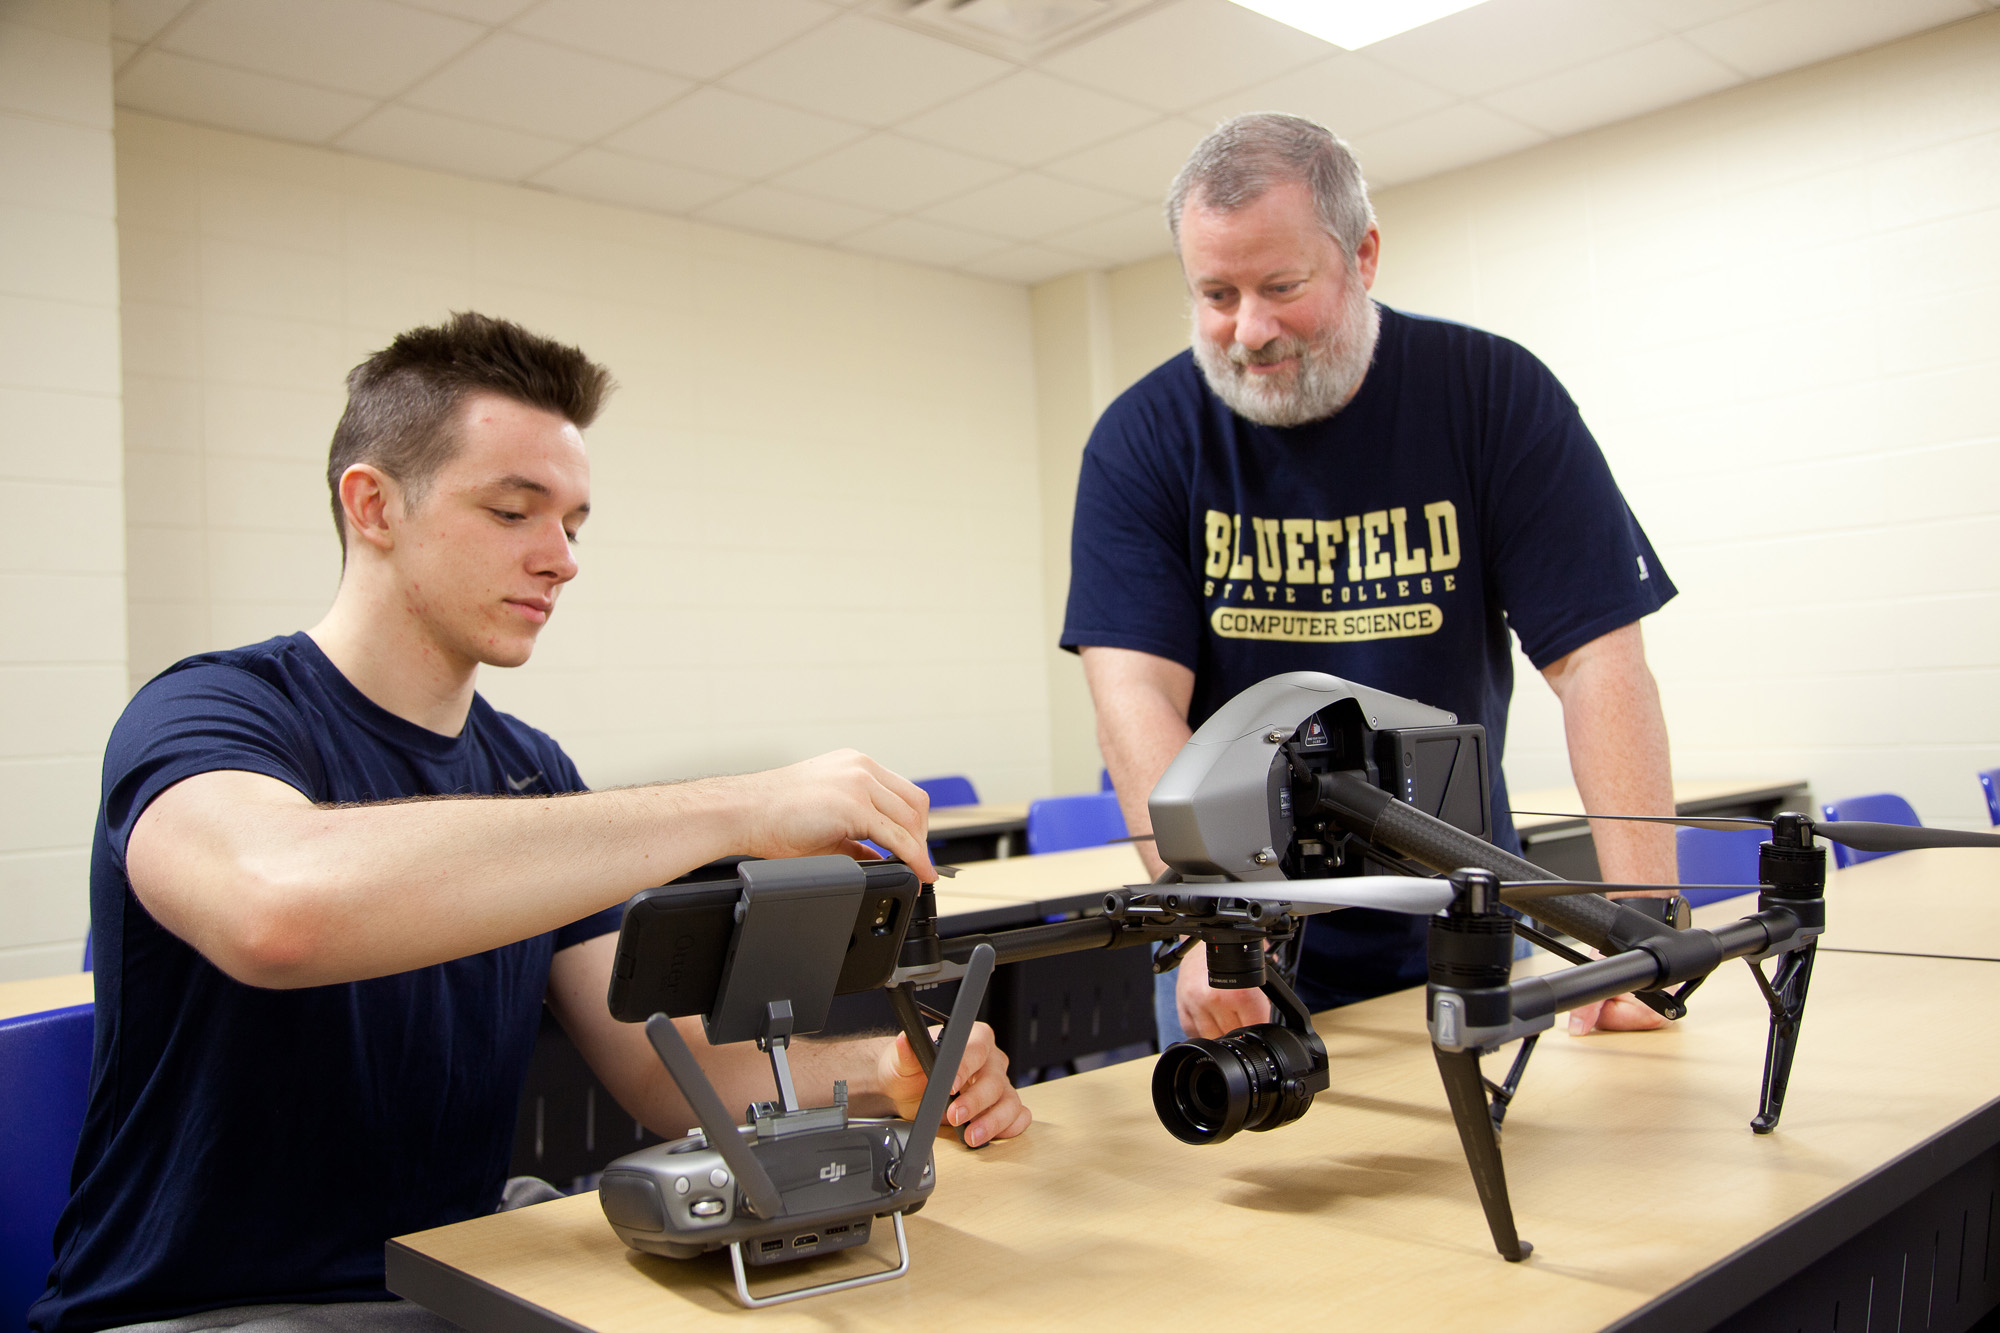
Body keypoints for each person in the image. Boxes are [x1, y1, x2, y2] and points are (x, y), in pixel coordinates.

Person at [33, 313, 1030, 1333]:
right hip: (203, 1311)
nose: (560, 559)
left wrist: (885, 1073)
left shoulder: (530, 771)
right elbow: (278, 907)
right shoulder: (210, 715)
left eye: (574, 523)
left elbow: (658, 1068)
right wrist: (737, 806)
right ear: (372, 505)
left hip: (446, 1283)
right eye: (514, 511)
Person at [1061, 114, 1679, 1046]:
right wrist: (1206, 919)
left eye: (1282, 286)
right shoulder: (1141, 439)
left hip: (1457, 915)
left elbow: (1597, 662)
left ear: (1364, 255)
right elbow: (1135, 695)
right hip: (1242, 938)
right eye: (1216, 294)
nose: (1250, 330)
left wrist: (1642, 931)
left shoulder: (1494, 396)